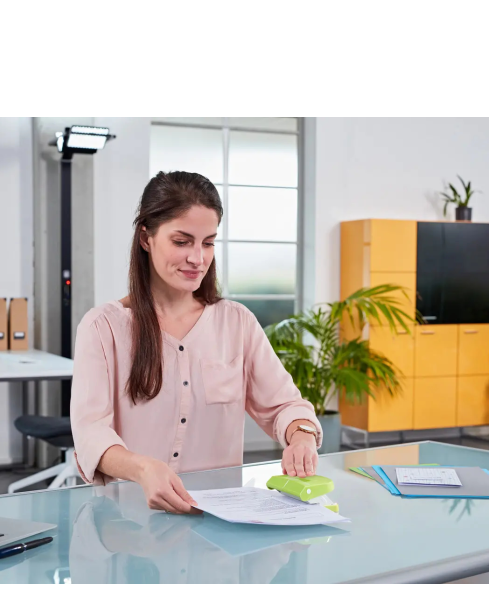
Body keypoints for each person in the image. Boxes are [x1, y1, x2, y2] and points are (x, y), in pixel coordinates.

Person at [70, 170, 323, 514]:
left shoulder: (237, 322)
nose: (198, 258)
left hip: (218, 524)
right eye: (182, 241)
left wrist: (302, 435)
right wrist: (142, 469)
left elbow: (284, 405)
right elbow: (90, 433)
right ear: (146, 238)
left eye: (208, 243)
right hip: (128, 523)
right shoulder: (102, 328)